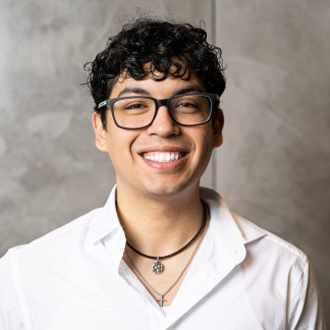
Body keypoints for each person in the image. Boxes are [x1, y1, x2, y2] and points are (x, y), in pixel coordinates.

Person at [0, 18, 326, 330]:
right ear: (101, 130)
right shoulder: (27, 274)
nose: (164, 127)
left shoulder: (284, 273)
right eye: (135, 106)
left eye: (185, 104)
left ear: (216, 128)